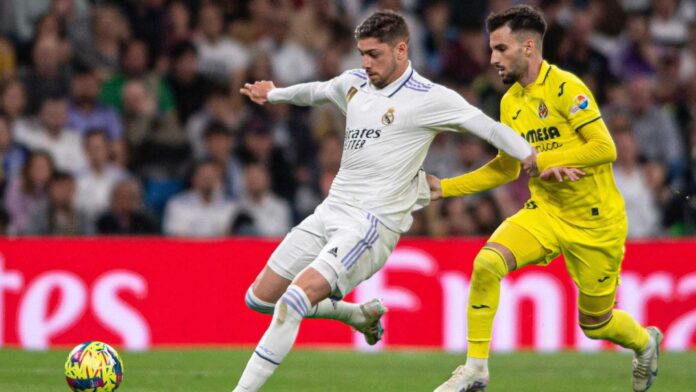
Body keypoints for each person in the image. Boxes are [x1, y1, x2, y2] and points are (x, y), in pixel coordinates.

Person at [234, 10, 536, 392]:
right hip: (330, 211)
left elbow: (489, 128)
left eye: (374, 54)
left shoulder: (430, 98)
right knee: (260, 299)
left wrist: (531, 156)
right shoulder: (354, 84)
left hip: (371, 224)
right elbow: (315, 92)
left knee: (294, 301)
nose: (365, 63)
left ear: (401, 50)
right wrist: (274, 93)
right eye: (361, 53)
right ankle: (354, 315)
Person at [431, 6, 662, 392]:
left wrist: (544, 159)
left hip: (596, 221)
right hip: (546, 212)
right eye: (491, 49)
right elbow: (507, 168)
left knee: (596, 324)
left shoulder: (566, 88)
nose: (492, 59)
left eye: (501, 49)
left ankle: (644, 341)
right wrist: (447, 187)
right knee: (487, 263)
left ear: (527, 47)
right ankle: (475, 368)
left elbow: (605, 148)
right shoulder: (510, 103)